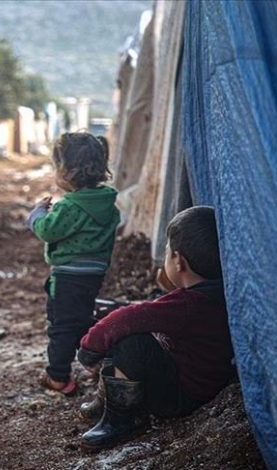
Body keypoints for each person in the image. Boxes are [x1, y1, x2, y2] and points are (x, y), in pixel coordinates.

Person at [76, 206, 235, 450]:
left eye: (167, 250)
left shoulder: (188, 305)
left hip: (182, 397)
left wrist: (89, 347)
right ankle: (106, 401)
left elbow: (128, 318)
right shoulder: (220, 294)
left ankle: (123, 419)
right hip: (207, 385)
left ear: (178, 261)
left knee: (130, 342)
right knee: (134, 334)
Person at [26, 132, 120, 396]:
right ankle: (101, 359)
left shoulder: (70, 206)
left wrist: (36, 215)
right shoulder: (108, 204)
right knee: (80, 318)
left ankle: (58, 376)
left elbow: (48, 231)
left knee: (61, 325)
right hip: (94, 274)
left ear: (67, 171)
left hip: (67, 276)